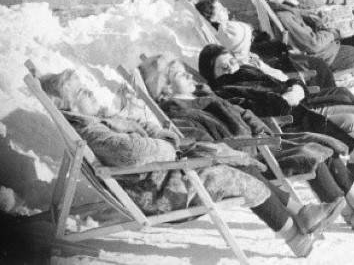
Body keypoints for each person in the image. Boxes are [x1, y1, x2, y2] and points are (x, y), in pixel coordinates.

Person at [39, 68, 318, 256]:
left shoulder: (100, 119)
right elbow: (135, 152)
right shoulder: (92, 132)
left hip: (164, 175)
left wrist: (163, 140)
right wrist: (167, 146)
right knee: (239, 180)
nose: (89, 92)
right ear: (68, 107)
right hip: (159, 192)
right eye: (81, 94)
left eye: (86, 88)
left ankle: (299, 212)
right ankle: (294, 237)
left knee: (232, 158)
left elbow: (144, 127)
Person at [138, 54, 354, 233]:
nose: (189, 77)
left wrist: (263, 133)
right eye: (181, 75)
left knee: (325, 144)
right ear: (166, 88)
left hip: (262, 141)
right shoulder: (178, 112)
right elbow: (206, 144)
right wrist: (256, 142)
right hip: (249, 155)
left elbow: (245, 115)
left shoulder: (204, 96)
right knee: (314, 153)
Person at [198, 45, 354, 194]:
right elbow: (260, 106)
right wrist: (287, 98)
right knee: (352, 121)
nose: (231, 68)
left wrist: (295, 87)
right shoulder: (227, 90)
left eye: (231, 61)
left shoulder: (246, 72)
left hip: (299, 106)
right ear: (212, 75)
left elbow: (282, 81)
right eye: (223, 67)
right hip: (288, 120)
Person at [213, 16, 354, 159]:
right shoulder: (242, 67)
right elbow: (274, 81)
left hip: (295, 91)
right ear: (242, 43)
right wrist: (290, 84)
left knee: (346, 91)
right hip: (295, 103)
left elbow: (278, 76)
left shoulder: (251, 58)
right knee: (343, 94)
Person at [195, 0, 337, 91]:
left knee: (316, 64)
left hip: (264, 59)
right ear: (211, 18)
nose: (225, 9)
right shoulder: (227, 33)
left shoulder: (231, 26)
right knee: (317, 65)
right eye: (220, 9)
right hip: (266, 61)